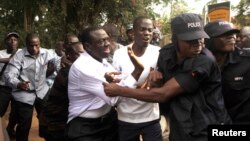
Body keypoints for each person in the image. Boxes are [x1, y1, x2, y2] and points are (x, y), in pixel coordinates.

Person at [103, 13, 232, 141]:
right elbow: (157, 86)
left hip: (208, 126)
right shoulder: (166, 54)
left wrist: (119, 90)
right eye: (190, 40)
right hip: (180, 127)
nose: (198, 44)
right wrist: (155, 75)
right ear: (175, 39)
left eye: (200, 38)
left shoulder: (204, 61)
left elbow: (163, 94)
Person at [65, 26, 144, 141]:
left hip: (108, 122)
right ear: (87, 46)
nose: (107, 43)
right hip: (85, 128)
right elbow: (114, 99)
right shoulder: (82, 67)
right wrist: (137, 71)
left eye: (107, 39)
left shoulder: (103, 62)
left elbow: (122, 80)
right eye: (101, 41)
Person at [112, 16, 162, 141]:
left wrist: (158, 74)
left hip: (151, 117)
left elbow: (161, 82)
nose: (147, 33)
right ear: (133, 32)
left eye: (150, 30)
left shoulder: (158, 53)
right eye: (142, 30)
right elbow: (116, 85)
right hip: (126, 117)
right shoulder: (120, 54)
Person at [4, 33, 61, 141]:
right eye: (31, 45)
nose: (34, 48)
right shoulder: (18, 56)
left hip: (42, 91)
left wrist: (59, 65)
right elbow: (9, 75)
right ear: (26, 45)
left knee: (47, 122)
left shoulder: (47, 53)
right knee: (24, 126)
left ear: (40, 44)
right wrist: (18, 83)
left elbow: (57, 60)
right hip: (24, 95)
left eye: (37, 45)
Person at [204, 20, 250, 124]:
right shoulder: (198, 64)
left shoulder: (247, 60)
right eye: (224, 34)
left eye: (232, 33)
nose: (232, 37)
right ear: (208, 40)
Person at [40, 42, 84, 141]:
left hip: (61, 122)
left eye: (85, 53)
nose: (83, 57)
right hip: (54, 123)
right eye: (79, 53)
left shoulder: (73, 69)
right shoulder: (68, 72)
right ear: (69, 56)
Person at [0, 32, 20, 139]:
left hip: (17, 88)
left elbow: (14, 60)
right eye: (10, 39)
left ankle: (10, 129)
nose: (13, 41)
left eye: (15, 40)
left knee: (16, 113)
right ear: (5, 42)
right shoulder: (1, 53)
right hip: (3, 88)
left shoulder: (21, 52)